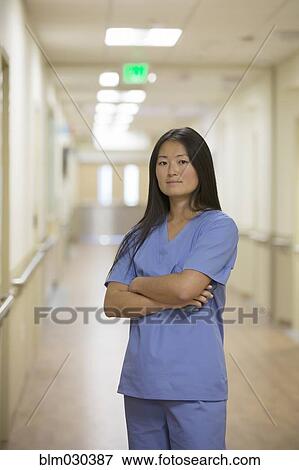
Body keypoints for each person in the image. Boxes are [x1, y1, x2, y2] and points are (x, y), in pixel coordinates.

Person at [103, 127, 239, 450]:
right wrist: (173, 298)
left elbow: (184, 288)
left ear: (201, 167)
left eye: (182, 161)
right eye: (162, 163)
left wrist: (137, 284)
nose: (172, 170)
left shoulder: (218, 227)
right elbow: (112, 302)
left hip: (195, 387)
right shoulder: (138, 234)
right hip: (141, 384)